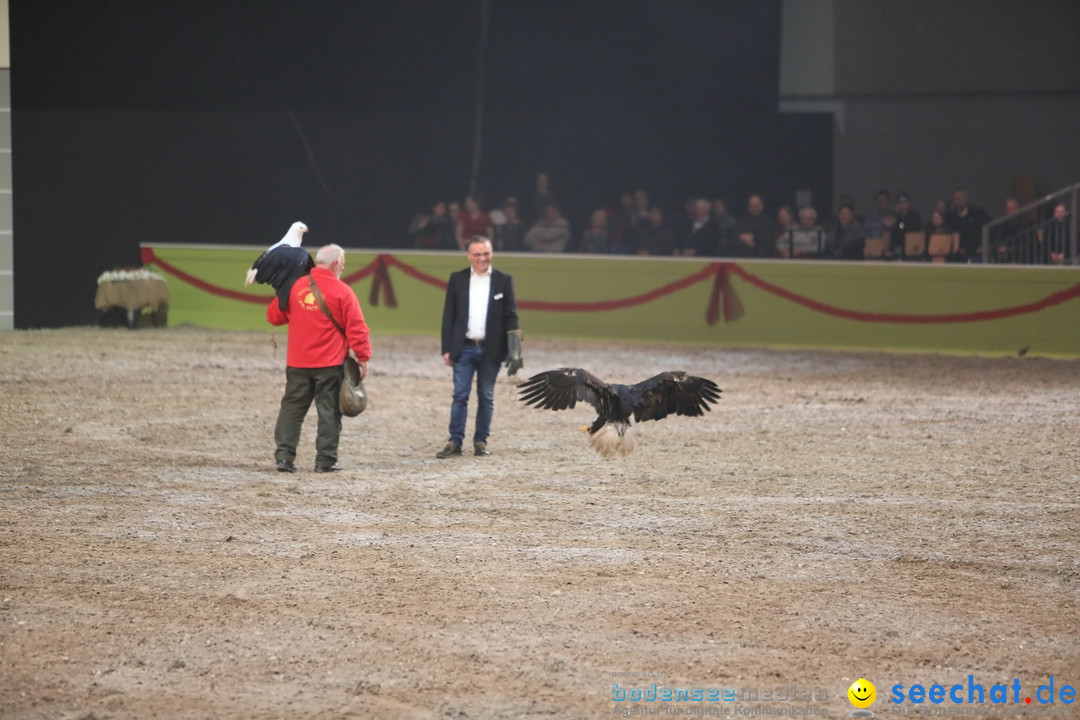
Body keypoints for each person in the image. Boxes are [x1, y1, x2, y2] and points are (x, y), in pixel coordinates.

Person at [266, 244, 372, 473]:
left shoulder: (294, 286)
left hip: (297, 362)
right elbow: (357, 328)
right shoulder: (343, 291)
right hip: (329, 364)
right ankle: (325, 461)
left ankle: (284, 458)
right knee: (329, 412)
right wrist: (362, 357)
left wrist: (281, 290)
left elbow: (273, 316)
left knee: (292, 409)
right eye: (342, 264)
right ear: (335, 264)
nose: (343, 267)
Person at [437, 236, 521, 458]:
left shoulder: (504, 280)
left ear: (491, 253)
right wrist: (446, 348)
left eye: (486, 253)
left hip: (491, 350)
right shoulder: (457, 279)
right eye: (477, 254)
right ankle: (455, 441)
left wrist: (515, 348)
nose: (482, 258)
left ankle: (480, 442)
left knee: (486, 396)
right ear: (469, 256)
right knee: (460, 395)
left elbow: (511, 315)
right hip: (462, 348)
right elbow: (449, 315)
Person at [946, 189, 991, 261]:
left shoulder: (978, 213)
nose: (958, 200)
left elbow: (990, 228)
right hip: (959, 255)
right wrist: (958, 248)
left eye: (960, 198)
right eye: (955, 198)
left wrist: (985, 245)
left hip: (978, 253)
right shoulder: (951, 218)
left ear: (966, 199)